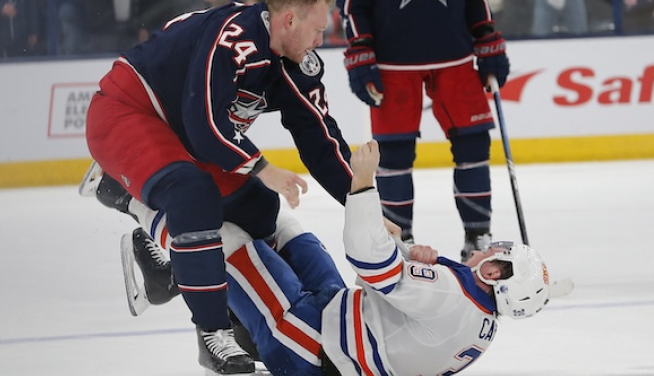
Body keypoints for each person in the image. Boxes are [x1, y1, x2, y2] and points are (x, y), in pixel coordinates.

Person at [84, 0, 353, 374]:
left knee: (260, 209)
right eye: (318, 29)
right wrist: (262, 167)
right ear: (290, 21)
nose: (321, 40)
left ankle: (173, 269)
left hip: (184, 132)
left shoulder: (295, 61)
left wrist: (363, 200)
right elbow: (204, 122)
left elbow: (320, 137)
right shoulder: (234, 38)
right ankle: (212, 333)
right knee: (193, 196)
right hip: (130, 110)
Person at [221, 140, 549, 375]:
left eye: (496, 252)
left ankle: (173, 252)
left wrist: (363, 183)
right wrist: (406, 257)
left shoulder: (451, 294)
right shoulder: (481, 321)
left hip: (310, 344)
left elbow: (368, 261)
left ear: (493, 272)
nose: (487, 248)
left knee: (224, 239)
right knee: (289, 230)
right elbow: (388, 297)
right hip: (341, 321)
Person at [337, 0, 510, 260]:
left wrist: (487, 36)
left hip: (455, 57)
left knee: (474, 145)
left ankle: (477, 237)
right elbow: (352, 0)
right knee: (395, 155)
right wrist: (360, 51)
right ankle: (402, 240)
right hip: (393, 63)